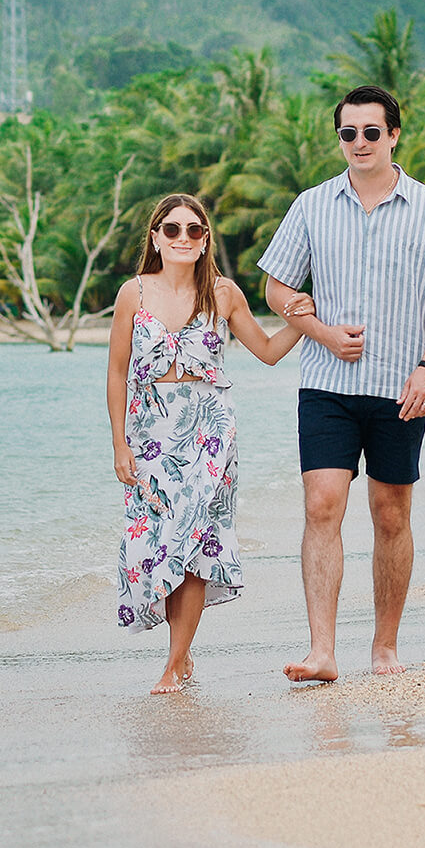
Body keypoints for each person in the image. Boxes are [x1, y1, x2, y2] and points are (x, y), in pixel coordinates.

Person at [257, 86, 425, 683]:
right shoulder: (310, 206)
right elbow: (276, 288)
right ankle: (322, 652)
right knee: (321, 504)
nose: (358, 143)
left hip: (401, 385)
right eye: (347, 133)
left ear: (394, 135)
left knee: (390, 514)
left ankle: (384, 648)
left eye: (370, 133)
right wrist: (322, 332)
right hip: (326, 384)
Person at [107, 193, 313, 695]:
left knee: (197, 543)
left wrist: (304, 321)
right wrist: (119, 445)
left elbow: (265, 351)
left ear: (205, 241)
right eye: (172, 229)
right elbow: (116, 374)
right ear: (155, 237)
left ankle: (174, 664)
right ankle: (182, 653)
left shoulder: (223, 294)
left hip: (210, 433)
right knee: (157, 544)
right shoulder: (132, 294)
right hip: (151, 433)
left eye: (194, 231)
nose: (183, 238)